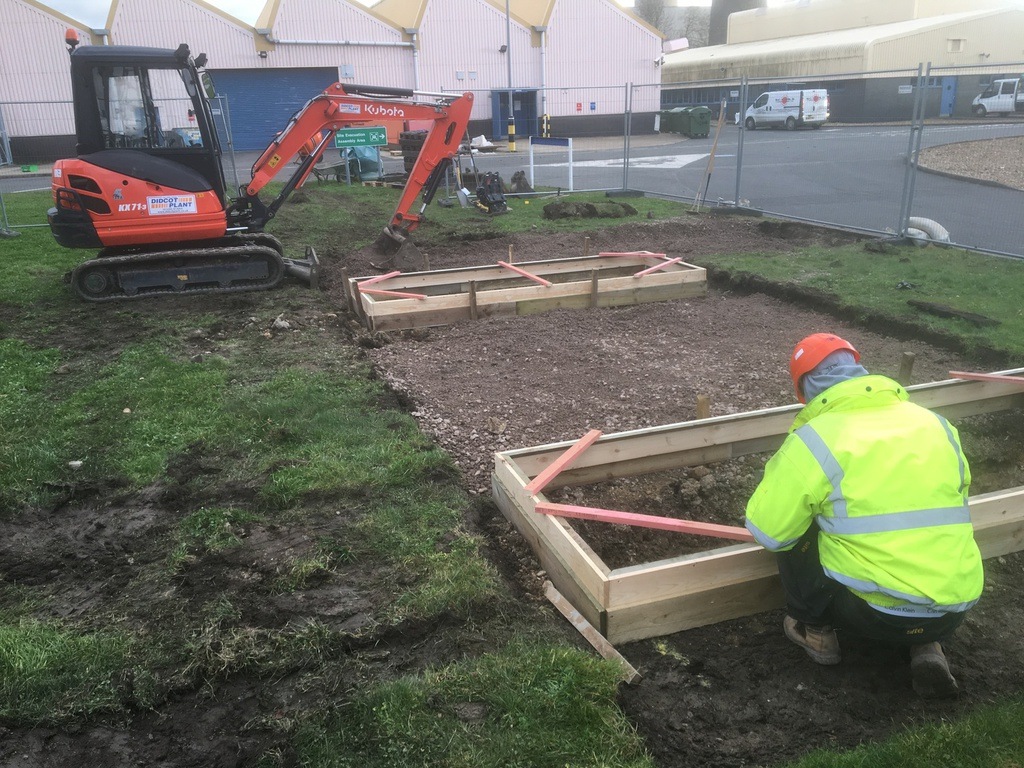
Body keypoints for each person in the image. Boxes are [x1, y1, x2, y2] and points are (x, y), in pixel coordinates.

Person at [744, 332, 984, 698]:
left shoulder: (816, 438)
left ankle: (817, 633)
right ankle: (927, 645)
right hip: (953, 609)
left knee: (797, 523)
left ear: (805, 390)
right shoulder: (936, 425)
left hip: (870, 614)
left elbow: (769, 533)